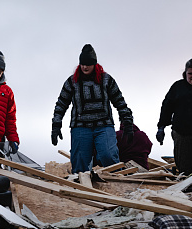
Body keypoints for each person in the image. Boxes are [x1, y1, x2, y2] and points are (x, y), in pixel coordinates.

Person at [51, 44, 134, 173]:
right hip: (80, 127)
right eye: (82, 64)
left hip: (104, 126)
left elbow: (120, 102)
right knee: (80, 162)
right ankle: (79, 188)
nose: (85, 67)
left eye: (88, 64)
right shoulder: (72, 82)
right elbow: (61, 104)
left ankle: (117, 182)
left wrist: (128, 122)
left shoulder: (106, 80)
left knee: (108, 156)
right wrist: (56, 125)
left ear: (94, 64)